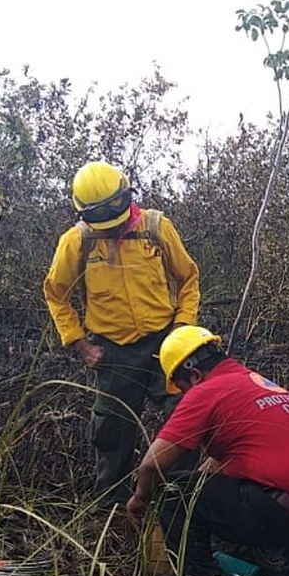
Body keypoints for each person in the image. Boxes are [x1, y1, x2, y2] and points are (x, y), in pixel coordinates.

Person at [125, 326, 289, 576]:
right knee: (206, 498)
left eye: (182, 388)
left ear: (195, 376)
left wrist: (140, 501)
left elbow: (152, 465)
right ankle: (286, 574)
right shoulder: (251, 382)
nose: (184, 396)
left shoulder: (206, 391)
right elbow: (216, 471)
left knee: (174, 493)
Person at [43, 161, 201, 498]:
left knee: (185, 416)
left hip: (164, 343)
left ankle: (183, 499)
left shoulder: (156, 227)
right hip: (113, 351)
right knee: (112, 430)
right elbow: (56, 294)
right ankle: (111, 504)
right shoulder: (77, 242)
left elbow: (188, 279)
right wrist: (80, 344)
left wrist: (182, 328)